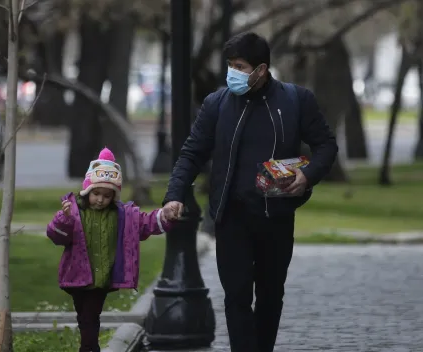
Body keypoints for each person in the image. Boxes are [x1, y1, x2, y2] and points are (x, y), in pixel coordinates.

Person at [162, 32, 338, 352]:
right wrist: (174, 194)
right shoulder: (216, 104)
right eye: (230, 65)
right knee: (237, 295)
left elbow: (326, 145)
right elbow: (192, 153)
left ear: (261, 69)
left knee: (271, 295)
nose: (233, 72)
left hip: (277, 216)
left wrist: (308, 175)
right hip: (232, 217)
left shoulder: (296, 100)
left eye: (240, 66)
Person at [46, 147, 172, 352]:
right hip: (77, 275)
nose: (100, 199)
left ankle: (89, 348)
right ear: (87, 190)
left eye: (106, 195)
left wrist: (164, 216)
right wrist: (64, 219)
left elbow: (146, 223)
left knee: (91, 315)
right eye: (96, 193)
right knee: (84, 316)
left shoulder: (123, 215)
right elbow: (55, 236)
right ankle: (89, 345)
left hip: (101, 279)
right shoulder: (74, 211)